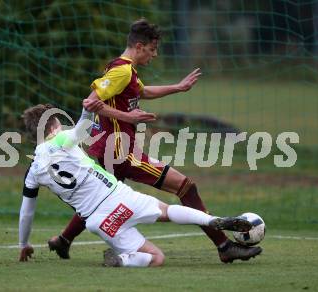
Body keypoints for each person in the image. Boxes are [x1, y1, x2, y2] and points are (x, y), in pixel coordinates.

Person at [48, 18, 262, 263]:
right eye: (152, 49)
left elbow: (142, 92)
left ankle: (63, 240)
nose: (155, 54)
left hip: (110, 149)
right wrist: (127, 116)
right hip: (121, 151)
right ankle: (225, 246)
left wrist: (178, 87)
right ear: (139, 46)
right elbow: (90, 102)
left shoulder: (124, 69)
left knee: (101, 197)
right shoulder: (121, 70)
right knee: (185, 187)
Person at [18, 103, 255, 267]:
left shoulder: (33, 171)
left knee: (156, 258)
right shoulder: (60, 139)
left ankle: (124, 260)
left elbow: (27, 211)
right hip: (118, 196)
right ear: (54, 125)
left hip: (97, 221)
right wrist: (86, 108)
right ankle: (212, 220)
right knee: (167, 211)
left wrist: (24, 244)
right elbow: (82, 128)